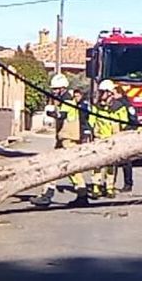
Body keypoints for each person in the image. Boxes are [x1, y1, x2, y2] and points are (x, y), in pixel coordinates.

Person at [31, 74, 90, 206]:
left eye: (56, 89)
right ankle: (47, 193)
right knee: (54, 164)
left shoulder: (67, 100)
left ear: (62, 88)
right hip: (63, 137)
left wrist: (51, 113)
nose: (54, 91)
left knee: (71, 167)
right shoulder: (63, 99)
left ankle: (82, 194)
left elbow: (62, 115)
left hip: (68, 138)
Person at [89, 79, 130, 198]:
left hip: (113, 140)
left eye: (103, 92)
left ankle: (109, 187)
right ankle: (96, 186)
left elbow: (124, 123)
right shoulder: (97, 107)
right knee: (97, 164)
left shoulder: (119, 107)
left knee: (111, 166)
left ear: (110, 93)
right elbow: (92, 121)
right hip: (99, 139)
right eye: (100, 92)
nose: (101, 95)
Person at [108, 84, 139, 191]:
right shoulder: (117, 104)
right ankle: (111, 184)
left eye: (113, 94)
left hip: (126, 134)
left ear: (120, 93)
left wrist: (128, 132)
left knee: (126, 161)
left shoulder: (125, 105)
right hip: (119, 134)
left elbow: (133, 120)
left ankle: (128, 184)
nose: (111, 96)